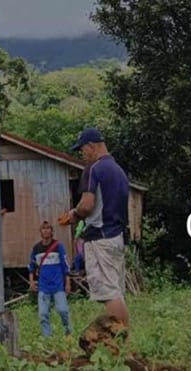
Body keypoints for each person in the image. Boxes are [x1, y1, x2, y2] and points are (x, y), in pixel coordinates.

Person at [58, 127, 131, 330]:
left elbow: (87, 205)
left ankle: (120, 344)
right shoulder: (119, 171)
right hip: (116, 236)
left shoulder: (94, 169)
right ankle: (123, 342)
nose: (83, 154)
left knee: (108, 294)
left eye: (83, 150)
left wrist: (74, 214)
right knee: (115, 293)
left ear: (91, 146)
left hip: (100, 237)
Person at [28, 220, 72, 337]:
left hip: (58, 285)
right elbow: (31, 266)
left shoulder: (58, 246)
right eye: (44, 228)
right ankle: (48, 338)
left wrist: (67, 283)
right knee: (43, 314)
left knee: (63, 310)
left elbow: (65, 266)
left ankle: (68, 331)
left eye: (48, 228)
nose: (46, 230)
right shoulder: (36, 248)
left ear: (52, 231)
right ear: (40, 231)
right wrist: (32, 282)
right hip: (43, 286)